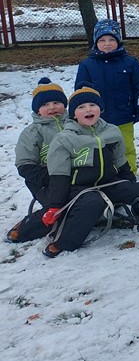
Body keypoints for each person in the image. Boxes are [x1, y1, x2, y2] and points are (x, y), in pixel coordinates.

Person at [41, 86, 139, 258]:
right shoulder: (65, 139)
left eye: (92, 105)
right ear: (74, 115)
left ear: (100, 109)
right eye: (81, 107)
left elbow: (120, 161)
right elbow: (59, 175)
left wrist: (130, 184)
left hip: (108, 183)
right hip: (78, 188)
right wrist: (55, 205)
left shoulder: (112, 132)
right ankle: (64, 242)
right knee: (93, 202)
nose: (88, 110)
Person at [75, 19, 139, 174]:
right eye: (102, 40)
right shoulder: (87, 65)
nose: (107, 44)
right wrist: (82, 113)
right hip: (98, 119)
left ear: (118, 41)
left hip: (124, 116)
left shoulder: (130, 63)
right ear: (96, 42)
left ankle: (130, 177)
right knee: (101, 150)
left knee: (126, 148)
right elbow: (81, 94)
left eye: (111, 40)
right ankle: (106, 177)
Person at [6, 78, 69, 243]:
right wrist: (51, 177)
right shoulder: (32, 132)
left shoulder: (75, 124)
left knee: (79, 203)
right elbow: (24, 164)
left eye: (56, 102)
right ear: (38, 110)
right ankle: (25, 228)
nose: (52, 107)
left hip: (72, 175)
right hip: (41, 179)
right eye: (45, 104)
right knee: (58, 207)